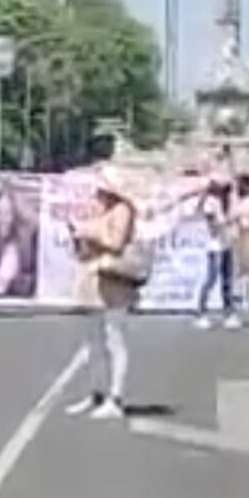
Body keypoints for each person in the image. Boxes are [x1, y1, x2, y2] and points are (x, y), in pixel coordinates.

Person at [66, 168, 144, 420]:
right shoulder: (104, 212)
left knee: (114, 340)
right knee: (94, 342)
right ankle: (96, 392)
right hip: (97, 280)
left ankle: (115, 397)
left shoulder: (122, 211)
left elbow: (115, 242)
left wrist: (88, 231)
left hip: (114, 282)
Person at [195, 179, 239, 329]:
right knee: (211, 280)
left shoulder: (226, 202)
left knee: (227, 281)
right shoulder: (210, 202)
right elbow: (213, 224)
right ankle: (201, 313)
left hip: (226, 244)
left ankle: (229, 313)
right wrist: (227, 222)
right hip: (215, 247)